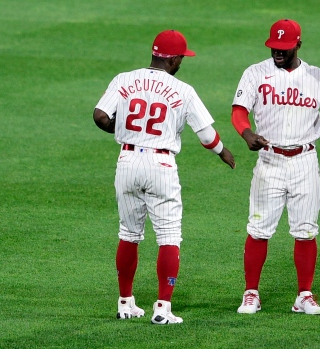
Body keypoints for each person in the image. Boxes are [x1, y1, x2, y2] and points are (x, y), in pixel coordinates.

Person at [231, 19, 320, 315]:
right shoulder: (255, 73)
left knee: (306, 230)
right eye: (274, 47)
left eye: (284, 48)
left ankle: (304, 295)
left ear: (298, 45)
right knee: (258, 229)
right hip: (269, 160)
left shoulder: (315, 76)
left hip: (304, 162)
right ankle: (251, 293)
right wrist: (247, 133)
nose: (278, 53)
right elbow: (238, 112)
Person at [93, 29, 235, 325]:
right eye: (181, 57)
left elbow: (100, 116)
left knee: (128, 233)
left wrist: (125, 131)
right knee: (169, 236)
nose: (182, 61)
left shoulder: (124, 79)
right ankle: (162, 308)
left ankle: (125, 303)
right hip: (161, 164)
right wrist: (223, 152)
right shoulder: (183, 90)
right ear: (172, 59)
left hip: (127, 159)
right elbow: (207, 135)